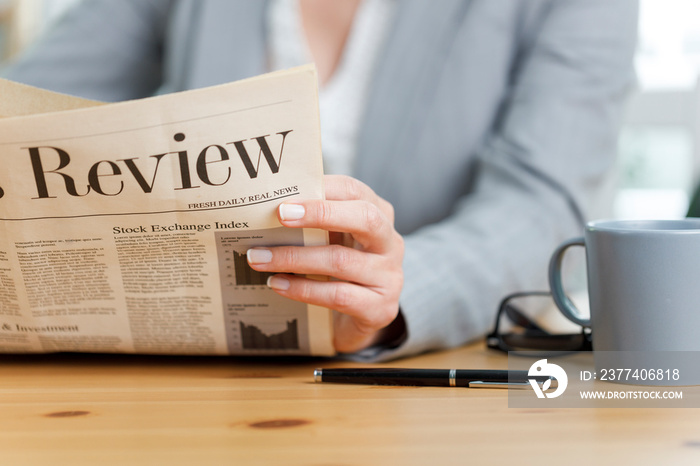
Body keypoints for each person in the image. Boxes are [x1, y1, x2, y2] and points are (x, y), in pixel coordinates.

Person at [1, 0, 638, 360]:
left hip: (434, 373)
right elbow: (24, 109)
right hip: (199, 382)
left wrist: (388, 296)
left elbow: (542, 200)